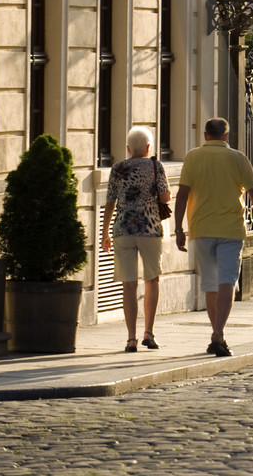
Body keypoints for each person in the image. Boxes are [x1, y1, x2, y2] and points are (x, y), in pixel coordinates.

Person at [175, 117, 253, 358]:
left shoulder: (193, 157)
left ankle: (216, 333)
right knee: (227, 281)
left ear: (205, 135)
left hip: (202, 228)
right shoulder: (237, 158)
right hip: (230, 229)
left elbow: (182, 195)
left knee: (210, 283)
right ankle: (218, 333)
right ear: (226, 136)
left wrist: (178, 228)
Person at [99, 126, 170, 352]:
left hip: (123, 229)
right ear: (148, 148)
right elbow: (165, 196)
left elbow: (110, 202)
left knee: (128, 285)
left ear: (128, 149)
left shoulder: (118, 168)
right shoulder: (155, 166)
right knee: (152, 280)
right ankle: (148, 332)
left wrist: (105, 233)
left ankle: (131, 338)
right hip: (150, 229)